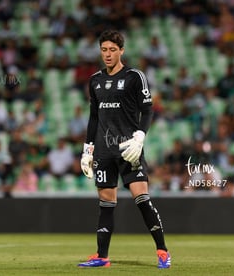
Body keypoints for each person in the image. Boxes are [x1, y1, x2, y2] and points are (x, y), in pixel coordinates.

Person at [78, 30, 171, 269]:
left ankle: (162, 251)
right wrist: (88, 150)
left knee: (142, 199)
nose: (107, 55)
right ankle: (102, 256)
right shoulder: (95, 80)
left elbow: (148, 110)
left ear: (121, 50)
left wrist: (140, 136)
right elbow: (93, 118)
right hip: (104, 152)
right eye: (104, 50)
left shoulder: (134, 76)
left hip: (129, 149)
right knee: (106, 204)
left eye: (112, 50)